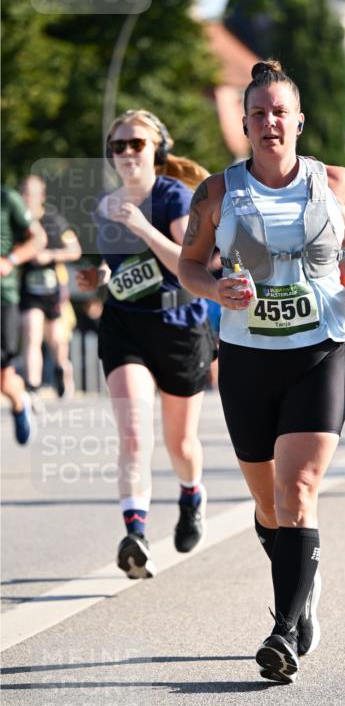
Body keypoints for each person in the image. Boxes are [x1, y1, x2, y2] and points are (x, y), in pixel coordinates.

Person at [178, 59, 345, 684]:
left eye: (280, 112)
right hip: (246, 358)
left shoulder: (335, 182)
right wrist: (215, 288)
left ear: (299, 121)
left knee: (299, 491)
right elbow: (189, 265)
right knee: (268, 505)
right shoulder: (216, 192)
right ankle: (303, 584)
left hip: (320, 349)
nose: (270, 122)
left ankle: (283, 631)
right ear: (244, 123)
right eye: (258, 113)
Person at [76, 110, 216, 578]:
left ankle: (192, 494)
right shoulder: (104, 205)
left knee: (181, 444)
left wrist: (142, 227)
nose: (127, 153)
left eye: (137, 143)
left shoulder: (175, 197)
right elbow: (117, 267)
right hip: (125, 324)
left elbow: (190, 266)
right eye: (118, 146)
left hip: (179, 325)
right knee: (134, 432)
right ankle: (135, 535)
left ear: (158, 149)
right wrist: (98, 276)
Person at [19, 175, 82, 400]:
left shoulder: (55, 220)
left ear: (42, 196)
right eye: (24, 193)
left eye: (32, 194)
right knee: (31, 333)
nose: (28, 198)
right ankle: (33, 387)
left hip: (53, 289)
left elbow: (75, 251)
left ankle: (62, 370)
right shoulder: (17, 220)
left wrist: (49, 255)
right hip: (28, 289)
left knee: (56, 339)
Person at [0, 185, 47, 443]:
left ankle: (19, 402)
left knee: (4, 379)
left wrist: (11, 261)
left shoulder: (7, 198)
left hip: (3, 297)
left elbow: (38, 239)